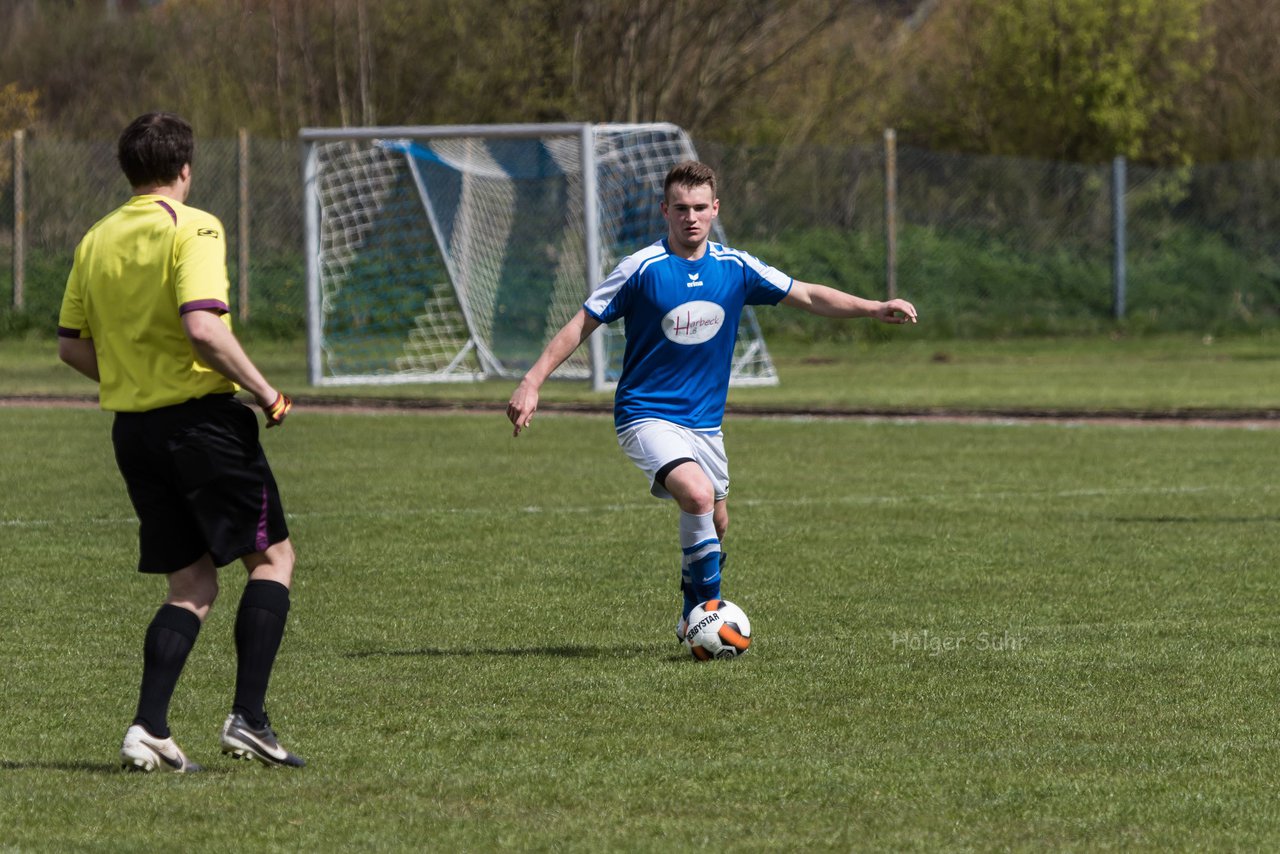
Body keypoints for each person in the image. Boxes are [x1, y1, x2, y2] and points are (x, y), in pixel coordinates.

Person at [507, 160, 918, 643]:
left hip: (705, 424)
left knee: (717, 520)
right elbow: (582, 323)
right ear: (665, 211)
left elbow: (805, 294)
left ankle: (689, 614)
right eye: (680, 208)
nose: (691, 217)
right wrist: (532, 380)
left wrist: (872, 308)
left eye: (700, 207)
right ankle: (711, 617)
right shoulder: (640, 269)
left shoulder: (735, 267)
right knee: (698, 496)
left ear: (715, 209)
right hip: (645, 413)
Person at [57, 112, 304, 772]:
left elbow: (70, 344)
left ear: (128, 170)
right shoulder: (193, 225)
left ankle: (150, 729)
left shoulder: (97, 237)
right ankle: (248, 719)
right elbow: (203, 327)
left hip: (133, 431)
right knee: (273, 560)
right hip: (201, 426)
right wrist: (267, 391)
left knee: (191, 582)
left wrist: (134, 377)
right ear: (185, 169)